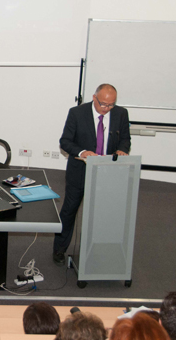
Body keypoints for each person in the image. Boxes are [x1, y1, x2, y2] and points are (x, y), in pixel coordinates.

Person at [53, 83, 131, 265]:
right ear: (94, 98)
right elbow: (65, 141)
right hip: (80, 170)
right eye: (103, 104)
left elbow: (125, 139)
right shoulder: (77, 113)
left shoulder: (121, 113)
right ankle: (59, 249)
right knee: (69, 210)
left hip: (108, 172)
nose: (106, 109)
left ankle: (100, 249)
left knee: (104, 212)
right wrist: (82, 152)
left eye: (111, 105)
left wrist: (122, 150)